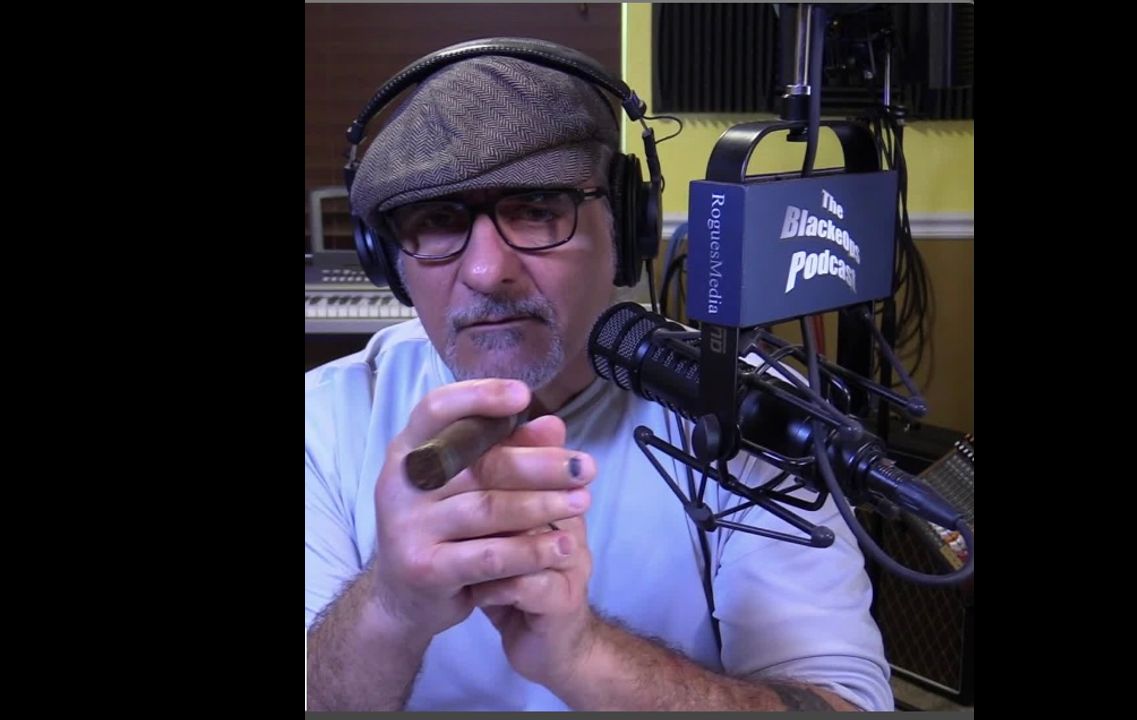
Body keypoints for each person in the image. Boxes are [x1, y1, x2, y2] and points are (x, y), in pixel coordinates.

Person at [305, 46, 894, 712]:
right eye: (436, 221)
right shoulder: (325, 420)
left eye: (536, 209)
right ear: (388, 262)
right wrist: (390, 607)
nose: (487, 272)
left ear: (626, 226)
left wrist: (584, 655)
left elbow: (844, 705)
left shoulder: (752, 413)